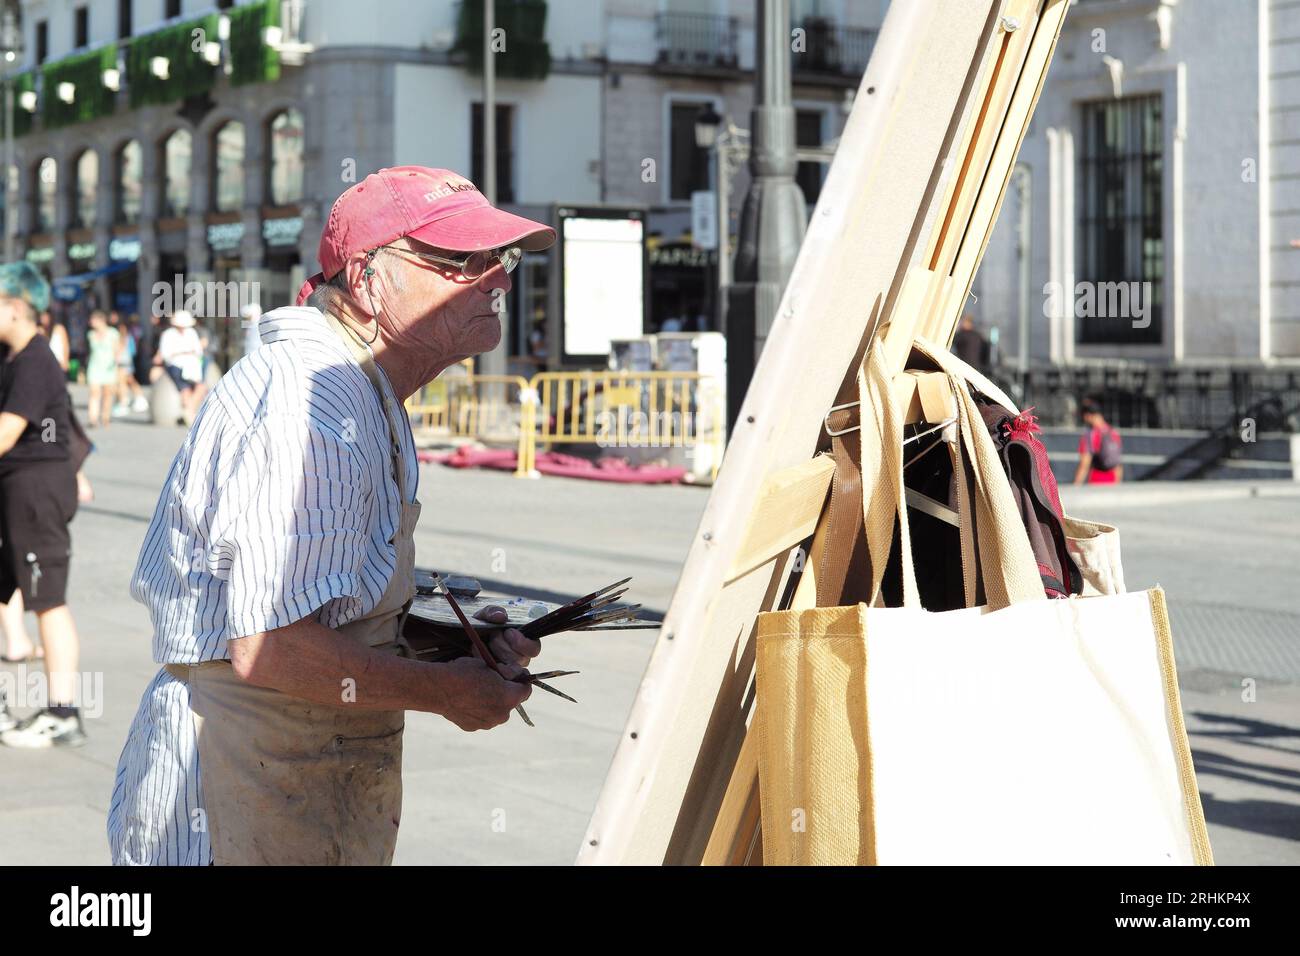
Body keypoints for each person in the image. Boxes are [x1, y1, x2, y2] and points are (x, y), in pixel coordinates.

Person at [108, 166, 556, 866]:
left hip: (298, 774)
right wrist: (446, 693)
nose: (497, 279)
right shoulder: (312, 402)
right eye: (462, 262)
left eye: (499, 259)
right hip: (233, 782)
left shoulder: (362, 387)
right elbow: (267, 645)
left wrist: (446, 645)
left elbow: (323, 613)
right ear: (369, 278)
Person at [0, 261, 88, 747]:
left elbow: (7, 431)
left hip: (36, 490)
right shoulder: (9, 355)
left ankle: (63, 713)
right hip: (16, 486)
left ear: (15, 307)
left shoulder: (35, 360)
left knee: (46, 600)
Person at [154, 309, 206, 424]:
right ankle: (189, 414)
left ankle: (188, 410)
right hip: (176, 365)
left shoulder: (191, 333)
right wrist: (184, 352)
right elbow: (166, 354)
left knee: (201, 387)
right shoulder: (168, 334)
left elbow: (198, 351)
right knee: (185, 389)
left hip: (192, 366)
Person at [1073, 397, 1123, 485]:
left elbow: (1084, 465)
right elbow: (1118, 464)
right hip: (1113, 480)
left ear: (1087, 415)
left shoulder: (1090, 435)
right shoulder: (1114, 432)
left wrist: (1075, 486)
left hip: (1096, 481)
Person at [84, 310, 120, 428]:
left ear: (101, 320)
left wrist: (116, 362)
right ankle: (92, 419)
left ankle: (105, 417)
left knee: (107, 394)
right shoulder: (90, 334)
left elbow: (116, 350)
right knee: (94, 393)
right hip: (94, 366)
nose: (91, 322)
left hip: (108, 367)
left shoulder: (113, 333)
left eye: (93, 320)